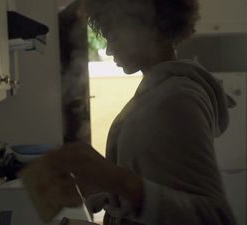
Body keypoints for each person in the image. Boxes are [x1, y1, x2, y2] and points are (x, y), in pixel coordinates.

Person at [19, 0, 237, 224]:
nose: (109, 49)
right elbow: (160, 185)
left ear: (145, 25)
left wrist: (119, 181)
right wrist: (106, 190)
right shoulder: (157, 93)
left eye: (112, 34)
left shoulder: (177, 99)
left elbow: (216, 217)